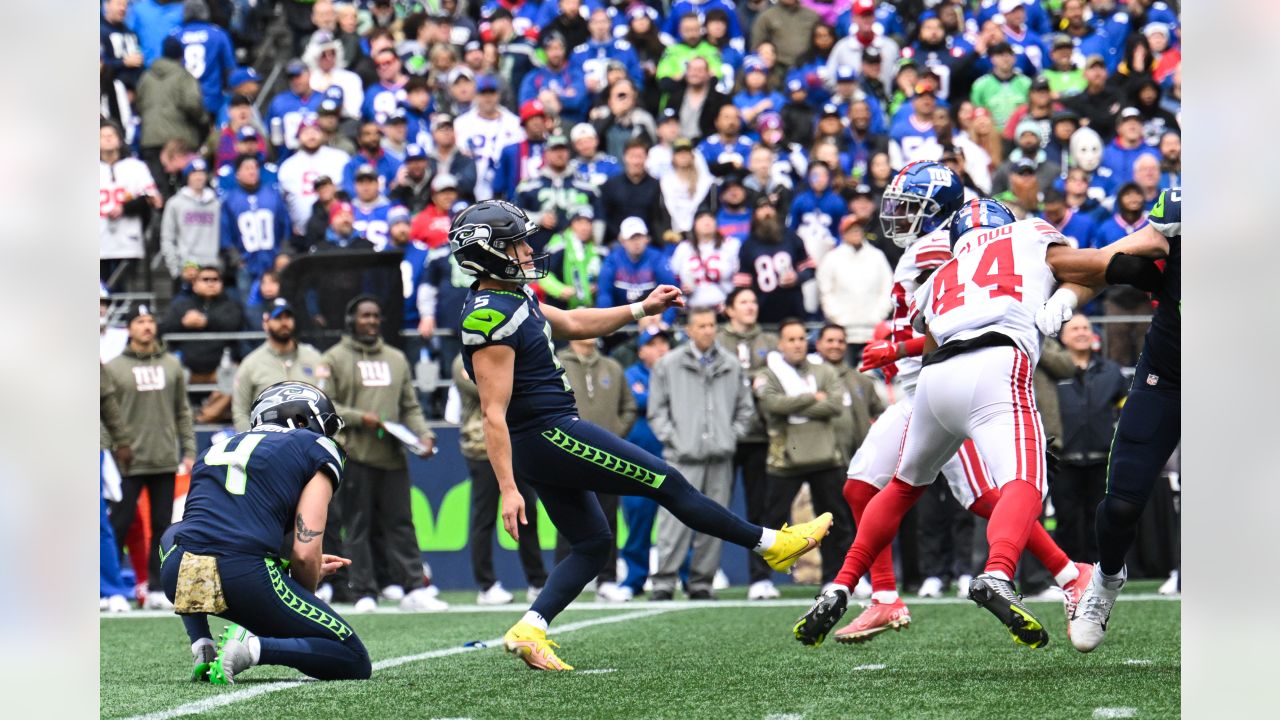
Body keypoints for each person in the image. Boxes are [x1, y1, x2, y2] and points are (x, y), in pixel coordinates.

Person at [451, 199, 832, 671]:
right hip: (547, 434)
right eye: (517, 243)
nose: (528, 250)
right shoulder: (487, 316)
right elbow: (493, 413)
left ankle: (530, 628)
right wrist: (509, 488)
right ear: (487, 253)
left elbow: (571, 322)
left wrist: (640, 308)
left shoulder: (512, 296)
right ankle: (771, 544)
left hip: (544, 436)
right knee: (667, 482)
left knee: (591, 544)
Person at [797, 171, 1086, 647]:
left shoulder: (950, 245)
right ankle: (884, 597)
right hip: (927, 389)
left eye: (908, 206)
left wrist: (896, 348)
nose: (896, 217)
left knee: (985, 499)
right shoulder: (939, 245)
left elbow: (963, 315)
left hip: (942, 384)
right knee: (861, 487)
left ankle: (1068, 572)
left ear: (939, 208)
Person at [1035, 188, 1181, 653]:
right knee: (1121, 502)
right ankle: (1105, 580)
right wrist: (1064, 294)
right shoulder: (1183, 210)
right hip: (1169, 377)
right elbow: (1106, 261)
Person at [157, 381, 371, 684]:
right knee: (354, 658)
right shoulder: (319, 447)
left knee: (178, 534)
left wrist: (282, 569)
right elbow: (305, 552)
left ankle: (201, 643)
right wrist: (300, 593)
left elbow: (206, 532)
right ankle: (252, 648)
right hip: (243, 576)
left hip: (178, 570)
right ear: (302, 419)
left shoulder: (214, 448)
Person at [318, 296, 444, 613]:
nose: (372, 321)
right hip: (355, 454)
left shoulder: (397, 358)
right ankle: (363, 591)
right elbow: (325, 404)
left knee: (401, 524)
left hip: (393, 455)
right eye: (365, 316)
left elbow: (410, 407)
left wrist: (425, 435)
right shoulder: (334, 358)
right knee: (358, 526)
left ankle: (414, 587)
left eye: (376, 316)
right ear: (351, 321)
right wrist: (363, 417)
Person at [647, 307, 754, 600]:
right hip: (681, 457)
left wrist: (731, 437)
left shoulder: (732, 365)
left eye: (711, 325)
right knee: (672, 524)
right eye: (701, 325)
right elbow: (656, 412)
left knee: (715, 523)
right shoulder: (667, 364)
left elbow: (746, 409)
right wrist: (674, 439)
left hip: (720, 457)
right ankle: (663, 583)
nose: (707, 330)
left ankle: (702, 583)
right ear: (689, 330)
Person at [103, 303, 196, 610]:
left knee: (162, 526)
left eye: (150, 321)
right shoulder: (113, 367)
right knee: (119, 524)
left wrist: (190, 450)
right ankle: (109, 588)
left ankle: (157, 587)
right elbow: (105, 413)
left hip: (164, 458)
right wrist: (115, 448)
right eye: (140, 321)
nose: (146, 326)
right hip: (127, 461)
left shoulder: (171, 365)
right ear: (128, 328)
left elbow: (183, 410)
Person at [755, 319, 856, 588]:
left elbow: (835, 405)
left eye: (801, 339)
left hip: (826, 456)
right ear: (780, 344)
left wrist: (795, 407)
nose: (798, 344)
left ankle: (837, 577)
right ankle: (760, 580)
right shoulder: (769, 374)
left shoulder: (824, 371)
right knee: (771, 520)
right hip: (785, 459)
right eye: (791, 339)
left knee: (836, 520)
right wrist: (813, 398)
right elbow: (772, 405)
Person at [453, 356, 547, 605]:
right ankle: (487, 585)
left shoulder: (508, 353)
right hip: (481, 448)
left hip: (515, 446)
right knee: (484, 517)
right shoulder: (461, 360)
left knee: (528, 513)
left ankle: (537, 582)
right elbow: (487, 392)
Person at [555, 338, 638, 602]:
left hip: (605, 456)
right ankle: (562, 582)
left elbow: (629, 407)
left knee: (608, 517)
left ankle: (607, 580)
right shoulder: (555, 362)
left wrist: (614, 437)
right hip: (567, 451)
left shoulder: (612, 366)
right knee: (566, 516)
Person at [1052, 314, 1127, 563]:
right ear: (1063, 337)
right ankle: (1071, 575)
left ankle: (1101, 574)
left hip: (1101, 460)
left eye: (1086, 327)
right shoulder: (1051, 373)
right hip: (1064, 461)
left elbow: (1127, 408)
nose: (1082, 332)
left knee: (1101, 522)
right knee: (1066, 522)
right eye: (1075, 329)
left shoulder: (1111, 371)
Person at [619, 327, 672, 598]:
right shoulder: (630, 375)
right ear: (641, 351)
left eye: (664, 342)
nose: (661, 348)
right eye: (653, 344)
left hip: (673, 459)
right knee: (638, 523)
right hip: (637, 464)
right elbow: (638, 401)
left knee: (679, 524)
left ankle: (681, 577)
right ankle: (634, 580)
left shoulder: (678, 374)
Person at [231, 300, 326, 432]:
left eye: (288, 317)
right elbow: (240, 412)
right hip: (268, 442)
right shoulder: (251, 363)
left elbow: (328, 400)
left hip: (309, 440)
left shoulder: (314, 358)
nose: (284, 323)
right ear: (265, 323)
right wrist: (253, 442)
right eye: (278, 318)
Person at [817, 217, 893, 363]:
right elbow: (825, 292)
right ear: (843, 233)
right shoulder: (832, 258)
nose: (856, 233)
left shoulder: (877, 256)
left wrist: (878, 316)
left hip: (873, 329)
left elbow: (888, 288)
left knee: (873, 376)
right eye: (851, 229)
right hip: (843, 331)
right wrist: (839, 318)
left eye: (858, 229)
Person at [733, 197, 815, 324]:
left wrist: (797, 277)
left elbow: (810, 269)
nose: (767, 212)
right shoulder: (748, 245)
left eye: (770, 207)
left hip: (793, 310)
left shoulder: (791, 238)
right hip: (763, 313)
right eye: (762, 208)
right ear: (754, 214)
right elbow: (743, 285)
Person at [277, 116, 351, 246]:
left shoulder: (340, 158)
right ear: (298, 136)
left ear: (322, 134)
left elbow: (348, 194)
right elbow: (283, 203)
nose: (311, 136)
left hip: (337, 231)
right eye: (306, 132)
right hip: (301, 234)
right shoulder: (288, 166)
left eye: (315, 131)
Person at [161, 158, 221, 290]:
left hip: (212, 265)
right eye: (194, 173)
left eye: (202, 173)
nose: (199, 177)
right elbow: (167, 238)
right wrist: (176, 270)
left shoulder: (216, 204)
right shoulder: (175, 203)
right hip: (186, 267)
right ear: (187, 177)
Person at [595, 217, 676, 311]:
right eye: (632, 238)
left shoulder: (658, 258)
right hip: (620, 317)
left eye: (640, 237)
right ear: (622, 241)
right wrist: (606, 318)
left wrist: (664, 323)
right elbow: (604, 294)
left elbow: (670, 293)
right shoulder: (612, 260)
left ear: (646, 239)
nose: (637, 242)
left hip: (650, 317)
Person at [669, 210, 740, 310]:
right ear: (694, 224)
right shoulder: (683, 248)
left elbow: (740, 275)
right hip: (693, 309)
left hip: (724, 308)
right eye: (701, 218)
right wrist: (681, 287)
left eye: (710, 218)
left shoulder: (732, 245)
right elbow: (673, 276)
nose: (707, 222)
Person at [540, 206, 607, 310]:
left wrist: (597, 285)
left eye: (588, 222)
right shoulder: (559, 244)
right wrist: (560, 289)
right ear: (571, 224)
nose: (584, 227)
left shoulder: (596, 249)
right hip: (560, 307)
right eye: (579, 222)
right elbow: (543, 274)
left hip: (587, 308)